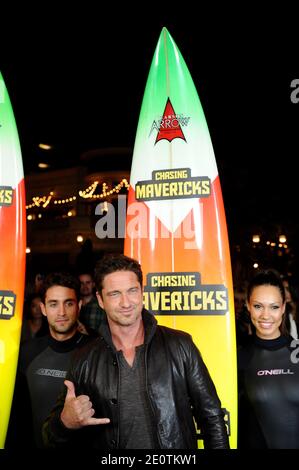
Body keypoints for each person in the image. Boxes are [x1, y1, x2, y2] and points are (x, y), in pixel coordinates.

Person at [43, 253, 229, 449]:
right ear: (100, 299)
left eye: (132, 290)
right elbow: (49, 437)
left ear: (142, 292)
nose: (126, 303)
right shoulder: (85, 358)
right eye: (115, 294)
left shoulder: (180, 345)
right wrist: (65, 423)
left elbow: (212, 417)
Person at [6, 272, 94, 448]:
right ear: (43, 308)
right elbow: (15, 417)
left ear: (79, 306)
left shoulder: (97, 352)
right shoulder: (25, 353)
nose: (61, 312)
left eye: (68, 303)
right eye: (53, 304)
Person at [238, 269, 299, 449]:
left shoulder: (296, 351)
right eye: (258, 306)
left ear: (283, 308)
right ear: (248, 306)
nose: (266, 315)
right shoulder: (240, 358)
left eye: (273, 307)